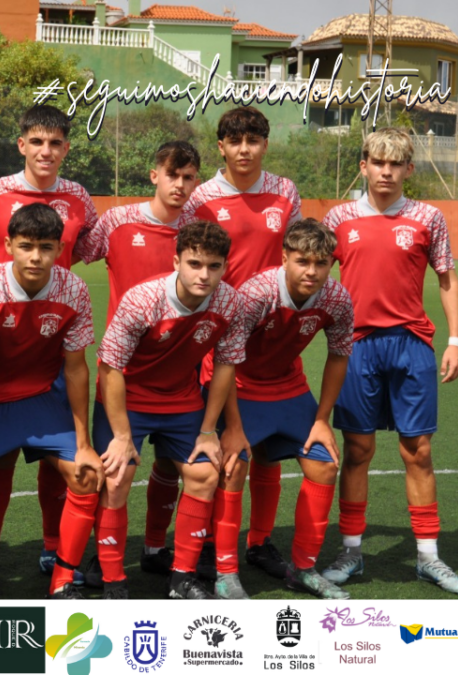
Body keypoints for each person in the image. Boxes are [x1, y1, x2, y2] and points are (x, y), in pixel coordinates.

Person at [320, 128, 458, 595]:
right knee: (358, 451)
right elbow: (314, 274)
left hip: (411, 345)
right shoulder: (339, 217)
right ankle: (351, 551)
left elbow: (446, 278)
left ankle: (429, 558)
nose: (386, 172)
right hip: (356, 346)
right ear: (363, 165)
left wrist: (456, 340)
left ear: (408, 169)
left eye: (395, 164)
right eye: (377, 163)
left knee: (418, 452)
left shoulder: (428, 217)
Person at [0, 203, 102, 599]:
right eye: (26, 246)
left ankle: (63, 579)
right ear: (8, 244)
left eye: (46, 247)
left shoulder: (73, 289)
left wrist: (84, 444)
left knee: (86, 474)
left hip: (41, 397)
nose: (36, 256)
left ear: (59, 248)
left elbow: (78, 370)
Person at [0, 105, 99, 591]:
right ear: (21, 144)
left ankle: (51, 547)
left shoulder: (79, 197)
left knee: (51, 457)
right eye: (37, 142)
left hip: (51, 340)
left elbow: (91, 250)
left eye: (56, 143)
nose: (46, 152)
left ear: (66, 147)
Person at [90, 220, 246, 599]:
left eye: (213, 266)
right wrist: (123, 436)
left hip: (181, 401)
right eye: (194, 264)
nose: (204, 275)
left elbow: (225, 366)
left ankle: (182, 578)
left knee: (205, 474)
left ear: (225, 266)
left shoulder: (230, 302)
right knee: (116, 476)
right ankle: (113, 580)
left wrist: (210, 430)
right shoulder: (143, 299)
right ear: (176, 261)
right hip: (127, 401)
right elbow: (109, 368)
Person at [202, 219, 353, 600]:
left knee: (324, 463)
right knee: (233, 466)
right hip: (236, 385)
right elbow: (227, 361)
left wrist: (321, 420)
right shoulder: (255, 295)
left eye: (321, 263)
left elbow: (338, 357)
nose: (312, 271)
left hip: (287, 387)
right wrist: (233, 427)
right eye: (303, 261)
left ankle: (303, 568)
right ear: (284, 257)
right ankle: (226, 572)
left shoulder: (336, 298)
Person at [76, 140, 202, 582]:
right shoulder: (116, 221)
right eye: (173, 175)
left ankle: (154, 547)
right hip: (121, 376)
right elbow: (70, 252)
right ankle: (102, 557)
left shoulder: (198, 229)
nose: (180, 185)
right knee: (114, 474)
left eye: (189, 178)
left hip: (178, 377)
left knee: (172, 466)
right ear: (155, 175)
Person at [187, 106, 303, 581]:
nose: (244, 149)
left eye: (253, 140)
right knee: (219, 445)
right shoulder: (204, 197)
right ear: (221, 146)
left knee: (267, 448)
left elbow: (295, 253)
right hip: (218, 334)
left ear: (265, 145)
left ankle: (259, 541)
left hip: (272, 334)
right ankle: (212, 542)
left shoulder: (284, 192)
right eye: (235, 141)